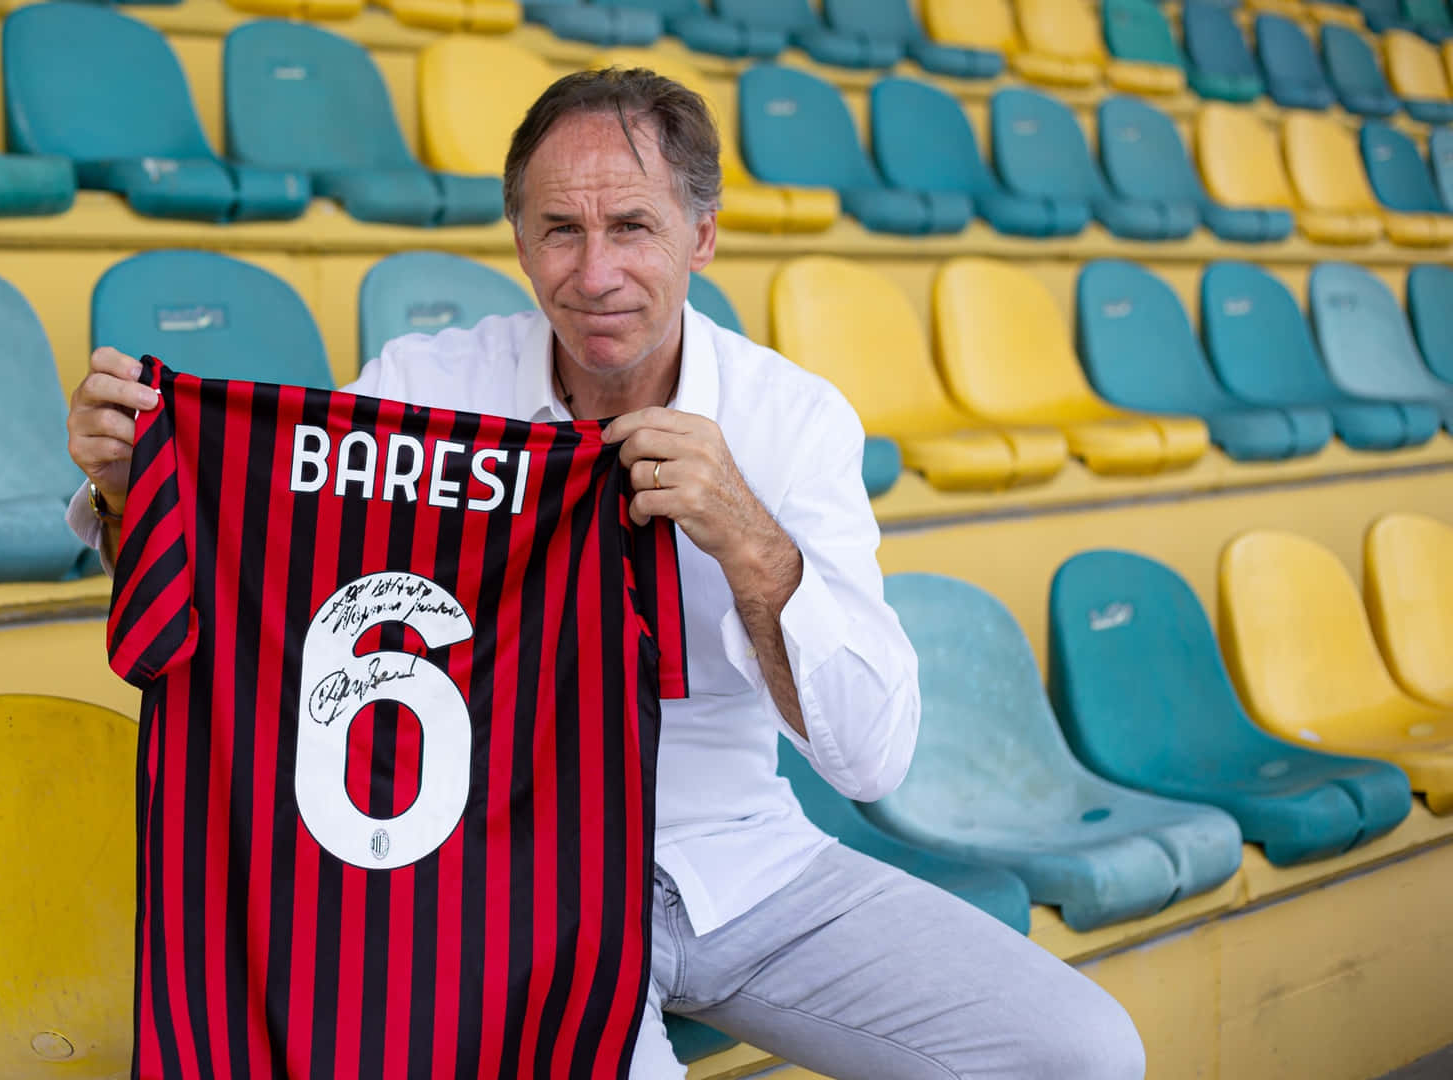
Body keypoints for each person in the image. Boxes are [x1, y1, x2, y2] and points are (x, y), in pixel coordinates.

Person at [65, 68, 1145, 1080]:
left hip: (740, 866)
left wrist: (750, 540)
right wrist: (131, 489)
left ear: (702, 235)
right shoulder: (425, 393)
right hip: (502, 887)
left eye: (633, 226)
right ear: (519, 240)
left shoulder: (789, 419)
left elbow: (871, 759)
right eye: (560, 231)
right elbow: (267, 590)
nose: (595, 275)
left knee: (1084, 1053)